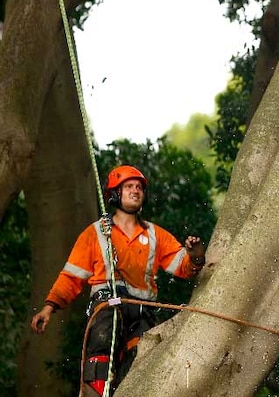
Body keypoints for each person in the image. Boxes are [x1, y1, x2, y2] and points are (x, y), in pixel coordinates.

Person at [30, 165, 206, 397]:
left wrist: (195, 257)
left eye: (139, 188)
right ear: (114, 193)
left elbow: (182, 267)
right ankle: (95, 392)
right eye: (129, 187)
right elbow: (72, 276)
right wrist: (49, 307)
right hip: (107, 306)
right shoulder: (96, 233)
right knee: (104, 341)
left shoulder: (155, 235)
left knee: (142, 357)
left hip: (143, 311)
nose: (135, 191)